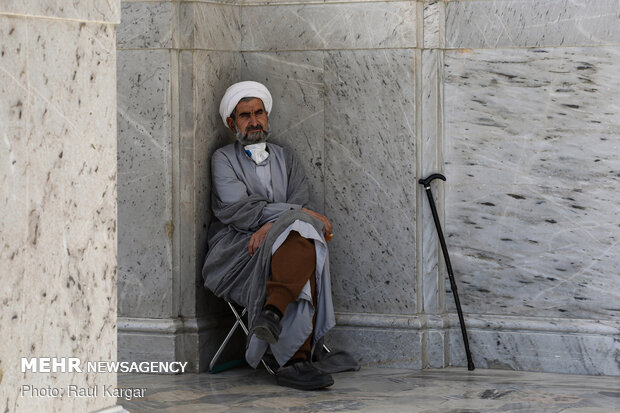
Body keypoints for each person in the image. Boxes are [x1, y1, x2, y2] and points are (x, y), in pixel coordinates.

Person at [202, 81, 337, 390]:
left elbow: (301, 205)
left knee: (301, 236)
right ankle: (295, 361)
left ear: (267, 115)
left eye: (258, 113)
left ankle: (271, 314)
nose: (254, 121)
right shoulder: (222, 159)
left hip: (284, 238)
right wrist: (283, 220)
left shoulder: (286, 157)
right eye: (245, 115)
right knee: (303, 237)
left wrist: (275, 224)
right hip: (238, 247)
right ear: (231, 122)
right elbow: (239, 210)